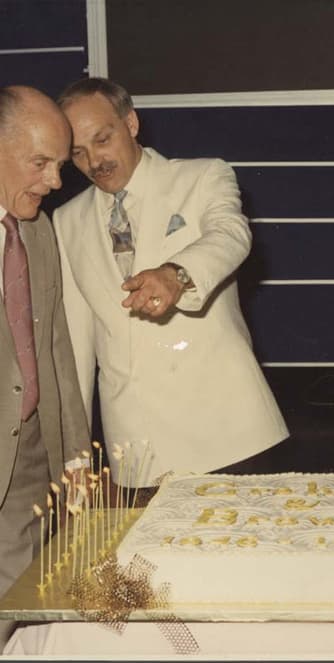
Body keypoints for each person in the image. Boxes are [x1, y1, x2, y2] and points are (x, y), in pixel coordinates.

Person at [53, 77, 289, 488]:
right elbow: (77, 345)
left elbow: (231, 234)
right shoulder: (65, 220)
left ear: (131, 123)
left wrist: (176, 274)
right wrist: (74, 456)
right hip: (137, 450)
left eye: (103, 139)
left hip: (229, 434)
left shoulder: (202, 176)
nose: (94, 161)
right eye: (78, 152)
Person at [0, 86, 89, 646]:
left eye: (59, 164)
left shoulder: (37, 230)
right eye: (41, 163)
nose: (55, 181)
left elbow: (57, 348)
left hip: (28, 455)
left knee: (17, 605)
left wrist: (75, 453)